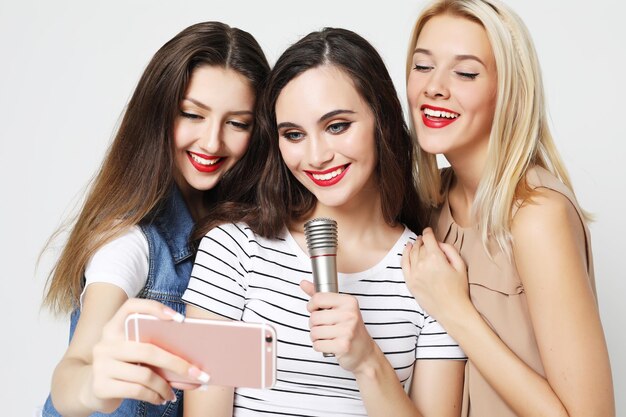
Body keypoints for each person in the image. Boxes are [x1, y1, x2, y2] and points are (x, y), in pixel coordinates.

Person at [180, 27, 466, 417]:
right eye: (294, 134)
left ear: (381, 118)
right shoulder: (232, 251)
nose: (315, 157)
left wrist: (367, 360)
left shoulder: (430, 273)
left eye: (337, 126)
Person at [40, 21, 270, 417]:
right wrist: (93, 385)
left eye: (237, 123)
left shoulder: (241, 233)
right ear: (159, 114)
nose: (212, 142)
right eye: (192, 115)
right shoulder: (129, 240)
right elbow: (71, 373)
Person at [401, 1, 615, 416]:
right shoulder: (429, 207)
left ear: (509, 90)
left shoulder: (537, 216)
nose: (434, 87)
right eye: (423, 66)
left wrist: (454, 310)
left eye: (465, 72)